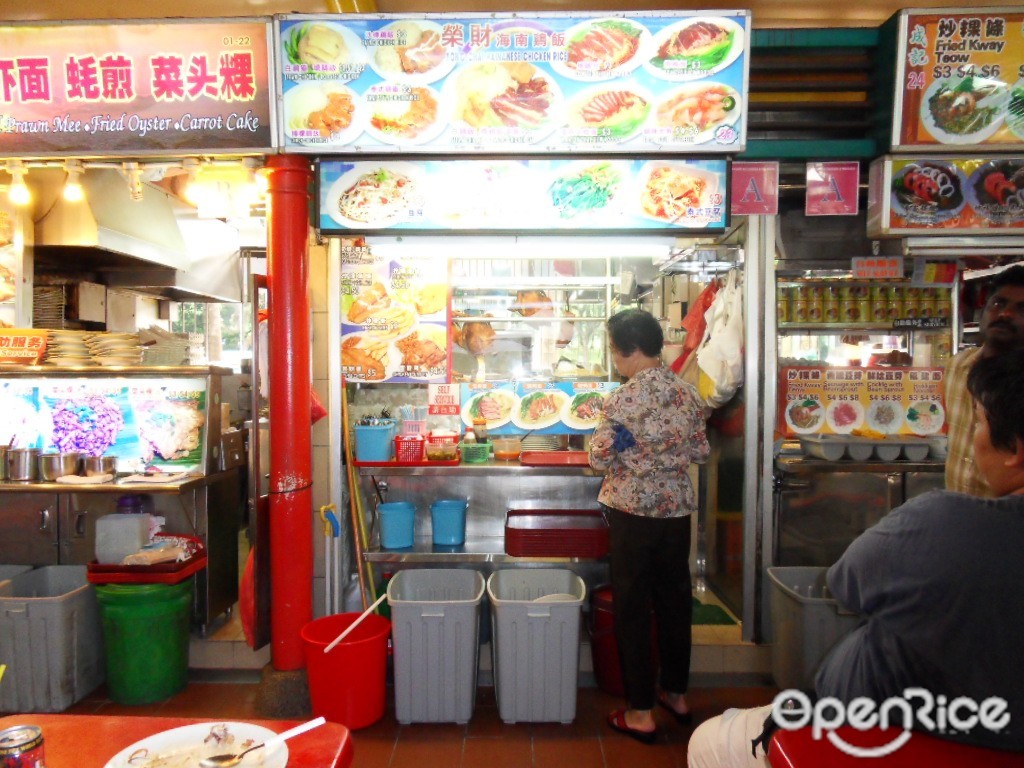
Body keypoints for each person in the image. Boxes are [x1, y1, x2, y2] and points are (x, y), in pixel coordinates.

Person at [688, 350, 1024, 767]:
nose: (970, 438)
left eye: (978, 423)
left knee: (707, 742)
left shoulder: (940, 522)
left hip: (882, 730)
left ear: (1014, 450)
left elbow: (845, 583)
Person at [588, 309, 710, 745]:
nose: (614, 358)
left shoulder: (623, 399)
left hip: (633, 515)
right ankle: (675, 692)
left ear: (628, 349)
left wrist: (622, 445)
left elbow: (599, 458)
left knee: (635, 608)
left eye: (613, 349)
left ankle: (640, 711)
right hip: (675, 512)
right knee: (675, 602)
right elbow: (700, 451)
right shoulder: (687, 393)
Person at [945, 263, 1024, 496]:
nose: (1005, 314)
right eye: (998, 303)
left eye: (1022, 309)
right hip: (959, 513)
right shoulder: (956, 367)